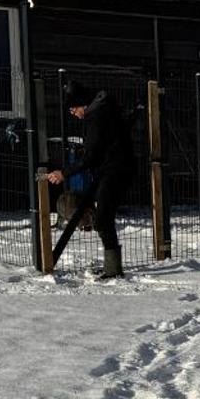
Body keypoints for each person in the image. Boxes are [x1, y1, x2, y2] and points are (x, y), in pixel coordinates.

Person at [47, 82, 136, 279]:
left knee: (104, 218)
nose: (72, 113)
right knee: (103, 217)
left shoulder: (97, 119)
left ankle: (113, 269)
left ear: (82, 104)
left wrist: (64, 173)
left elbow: (91, 157)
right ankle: (111, 265)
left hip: (114, 170)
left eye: (73, 108)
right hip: (114, 168)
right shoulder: (103, 111)